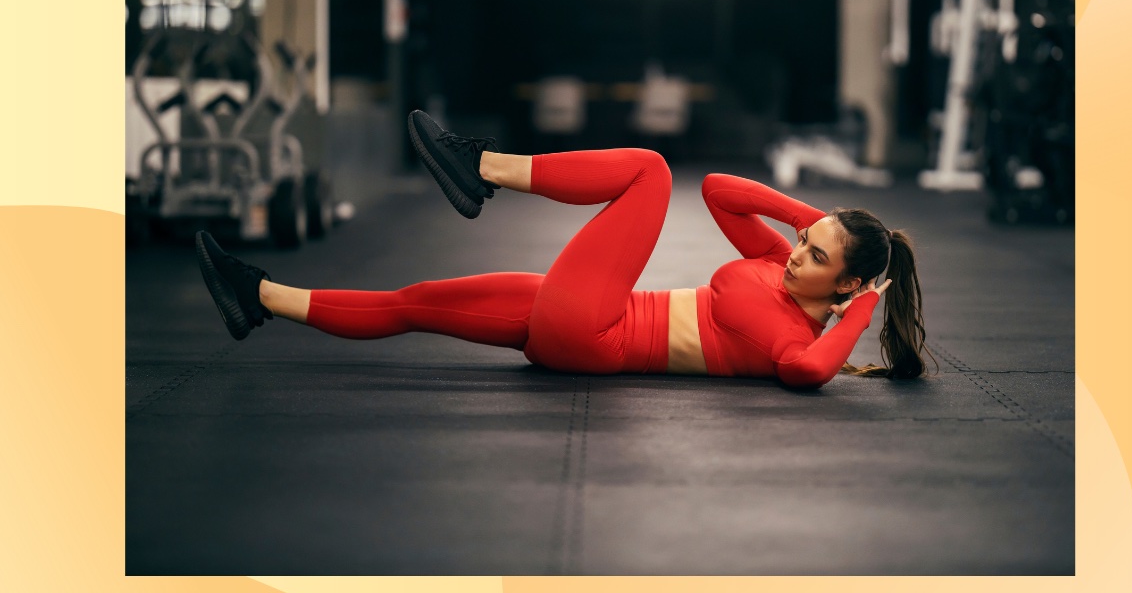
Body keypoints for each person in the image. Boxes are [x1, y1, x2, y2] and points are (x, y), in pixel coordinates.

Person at [196, 111, 931, 388]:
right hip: (580, 317)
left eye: (817, 255)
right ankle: (257, 296)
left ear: (843, 286)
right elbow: (721, 192)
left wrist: (860, 311)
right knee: (417, 300)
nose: (797, 253)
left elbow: (806, 372)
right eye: (804, 242)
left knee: (649, 171)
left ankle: (480, 168)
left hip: (597, 332)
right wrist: (814, 216)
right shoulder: (779, 265)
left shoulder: (793, 331)